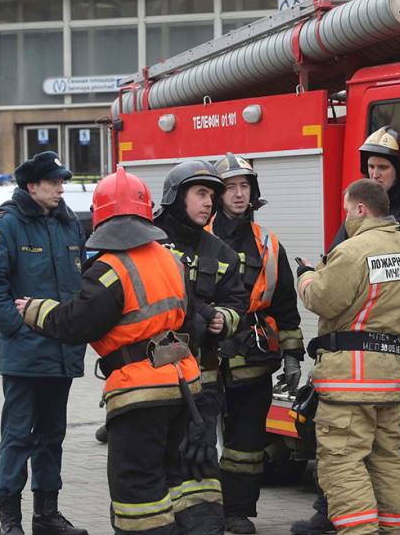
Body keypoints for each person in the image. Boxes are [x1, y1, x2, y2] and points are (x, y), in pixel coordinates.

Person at [13, 167, 211, 534]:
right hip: (184, 387)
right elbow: (192, 322)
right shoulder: (172, 260)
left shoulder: (109, 269)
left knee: (138, 491)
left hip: (138, 394)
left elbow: (76, 323)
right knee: (175, 480)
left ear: (101, 216)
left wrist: (35, 310)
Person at [292, 128, 400, 535]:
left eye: (346, 210)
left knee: (342, 461)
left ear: (360, 210)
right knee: (387, 460)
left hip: (350, 378)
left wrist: (306, 277)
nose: (345, 216)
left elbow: (325, 298)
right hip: (390, 375)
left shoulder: (354, 248)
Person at [0, 151, 88, 535]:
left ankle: (47, 515)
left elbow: (79, 283)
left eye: (61, 182)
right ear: (31, 185)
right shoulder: (6, 226)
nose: (60, 188)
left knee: (52, 436)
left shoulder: (68, 224)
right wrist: (20, 330)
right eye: (53, 182)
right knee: (18, 436)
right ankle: (10, 519)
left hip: (62, 353)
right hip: (25, 355)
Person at [208, 153, 304, 534]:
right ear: (217, 194)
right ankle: (203, 509)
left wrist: (294, 355)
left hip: (254, 358)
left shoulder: (267, 243)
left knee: (246, 444)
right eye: (230, 187)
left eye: (244, 186)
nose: (238, 194)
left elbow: (285, 303)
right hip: (206, 357)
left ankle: (237, 511)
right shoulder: (199, 238)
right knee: (199, 441)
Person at [155, 159, 250, 535]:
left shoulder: (220, 252)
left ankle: (202, 526)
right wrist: (196, 312)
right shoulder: (149, 243)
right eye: (200, 193)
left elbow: (238, 303)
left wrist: (223, 318)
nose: (209, 202)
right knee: (160, 457)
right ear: (177, 197)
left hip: (203, 378)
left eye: (211, 195)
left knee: (200, 458)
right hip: (155, 375)